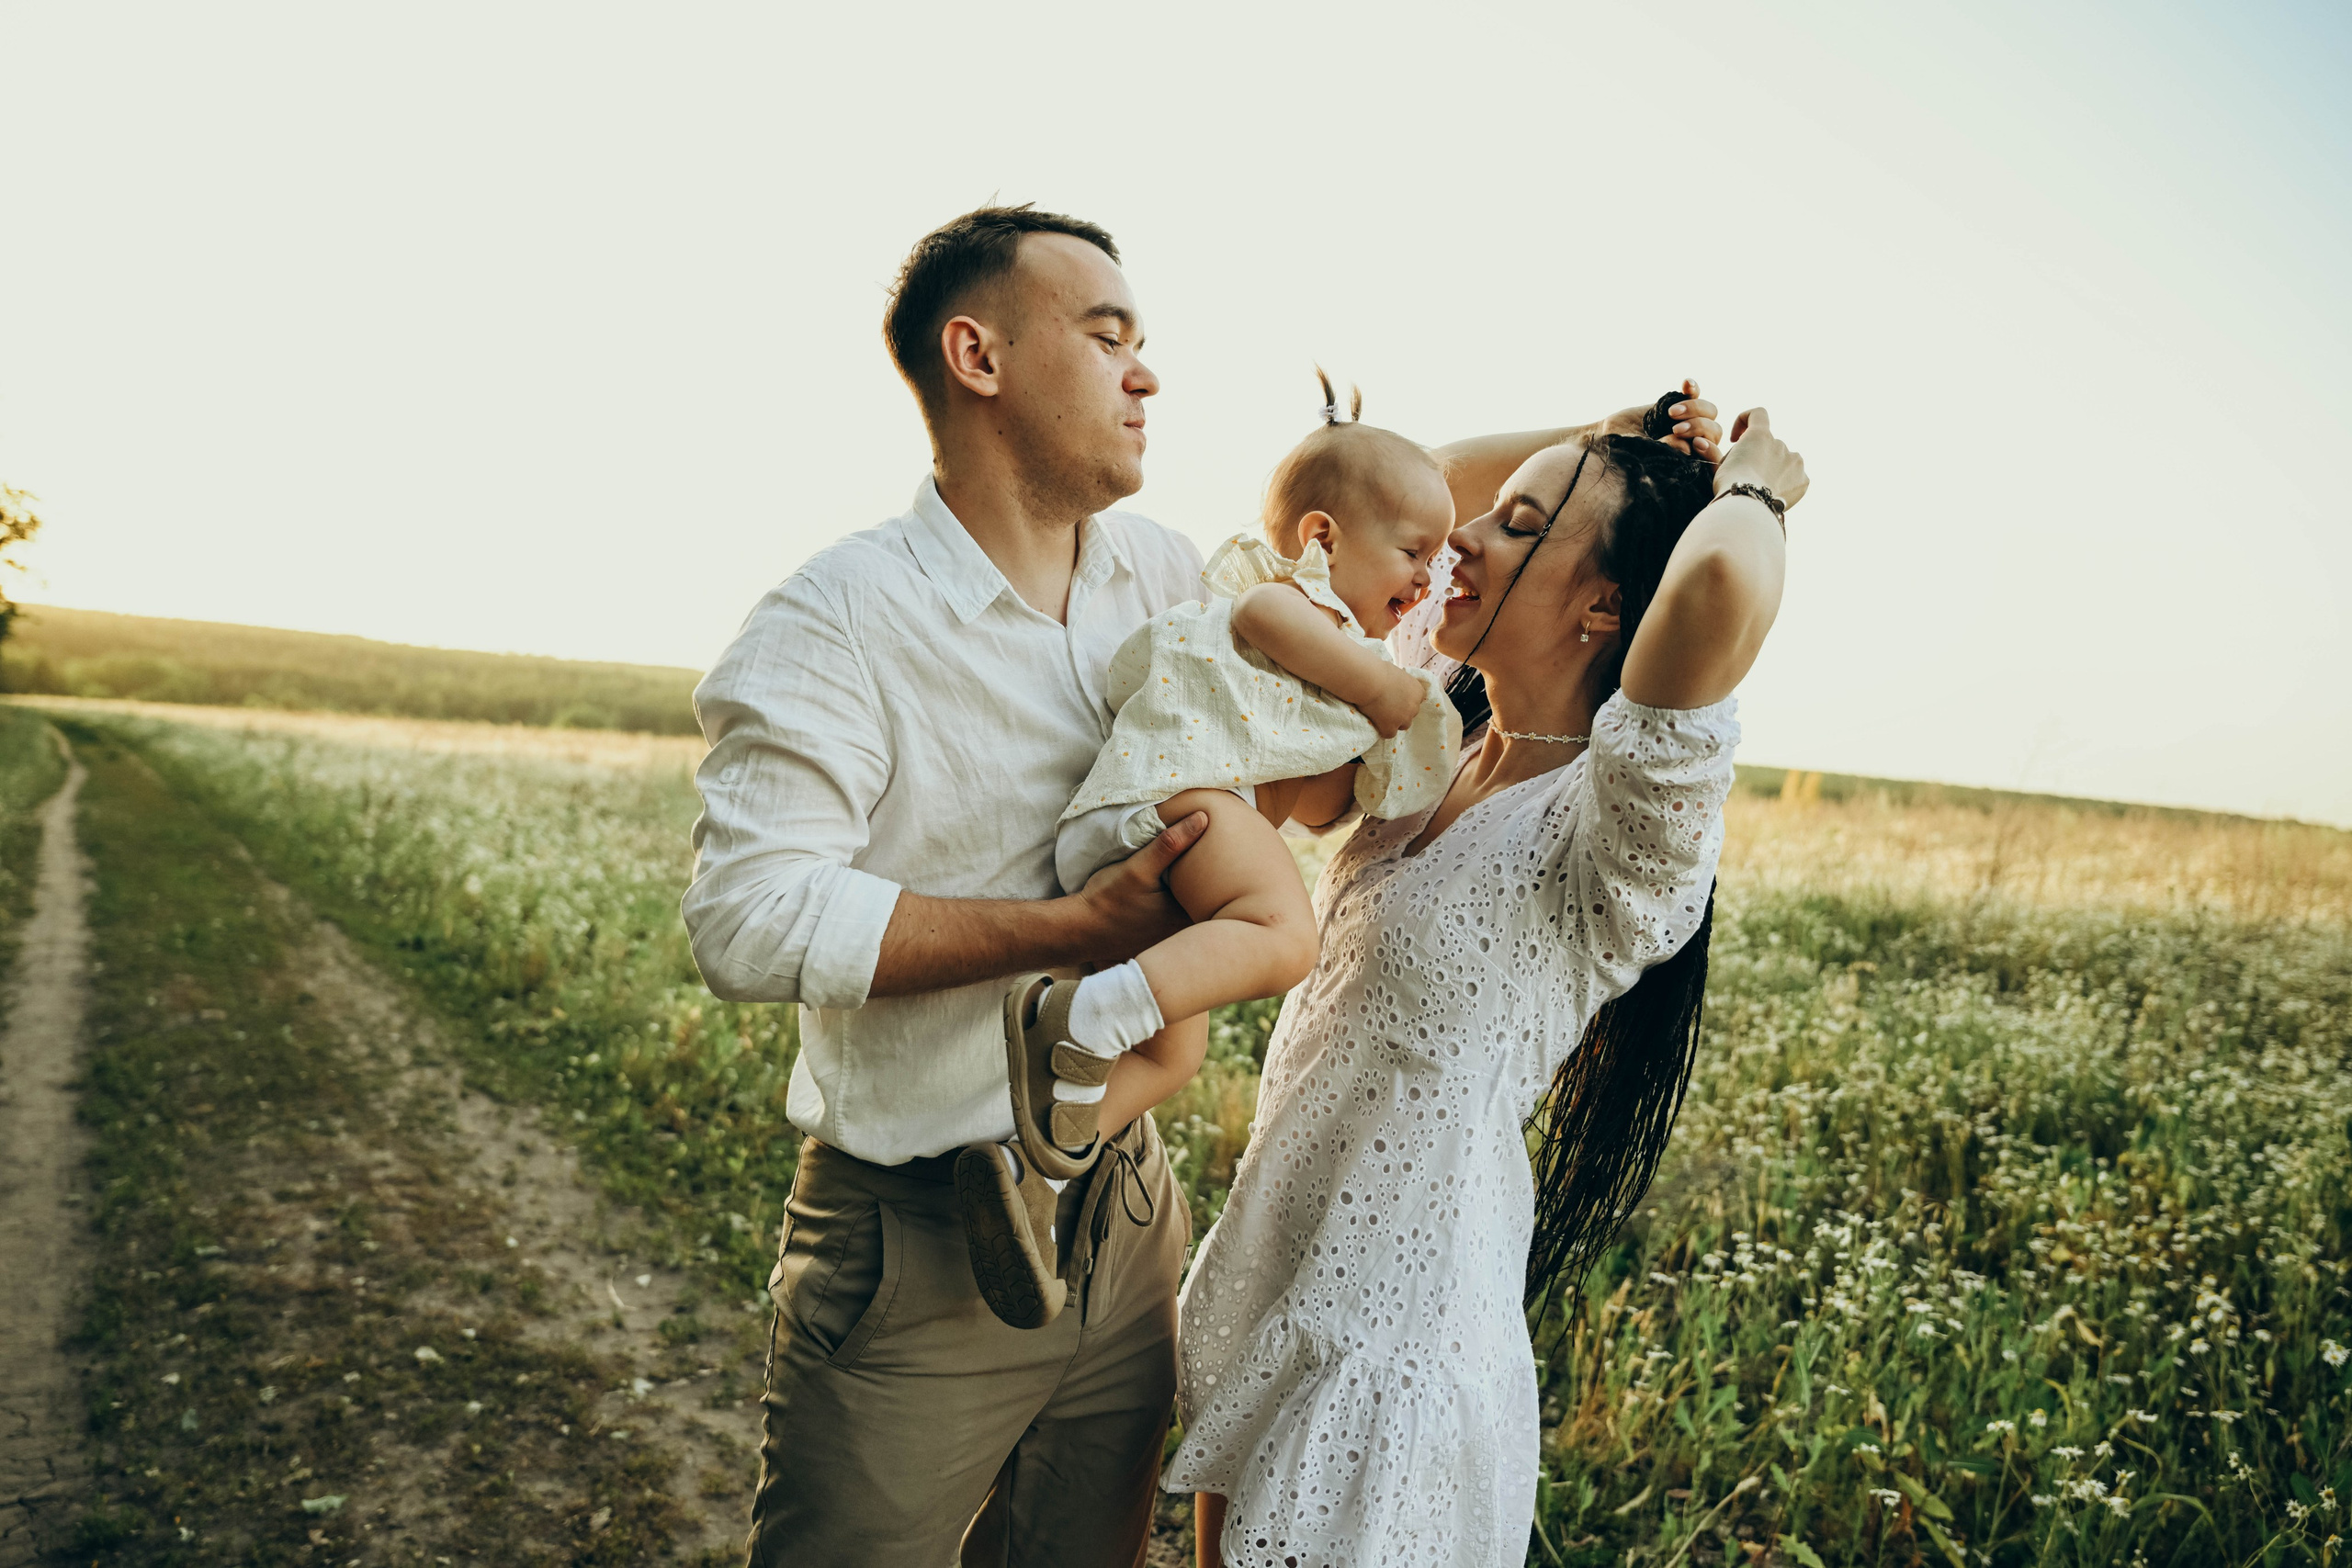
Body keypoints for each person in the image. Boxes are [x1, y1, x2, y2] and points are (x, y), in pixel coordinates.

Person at [684, 199, 1722, 1567]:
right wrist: (1072, 929)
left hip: (1127, 1222)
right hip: (921, 1239)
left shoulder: (1168, 573)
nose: (1148, 374)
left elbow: (1394, 495)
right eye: (1106, 337)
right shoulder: (837, 619)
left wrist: (1609, 436)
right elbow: (746, 919)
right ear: (977, 356)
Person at [1162, 410, 1807, 1568]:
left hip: (1395, 1322)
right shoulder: (1438, 730)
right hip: (1283, 1250)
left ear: (1604, 606)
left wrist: (1753, 488)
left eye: (1518, 526)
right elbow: (1401, 491)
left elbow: (1714, 580)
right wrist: (1610, 430)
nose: (1459, 540)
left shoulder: (1615, 824)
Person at [958, 375, 1466, 1332]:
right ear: (1321, 538)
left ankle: (1028, 1176)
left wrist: (1359, 739)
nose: (1426, 578)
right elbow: (1262, 622)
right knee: (1285, 936)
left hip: (1170, 828)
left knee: (1172, 1053)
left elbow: (1311, 805)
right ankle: (1076, 1016)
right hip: (1181, 800)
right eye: (1413, 552)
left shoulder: (1330, 659)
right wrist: (1382, 693)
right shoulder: (1290, 601)